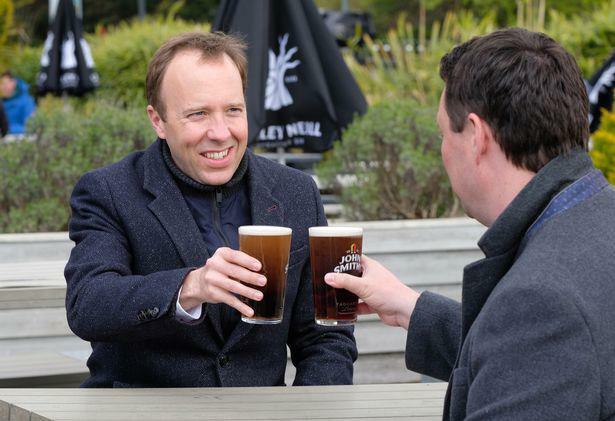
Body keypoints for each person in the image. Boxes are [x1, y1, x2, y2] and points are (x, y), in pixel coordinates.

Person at [325, 27, 615, 419]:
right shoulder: (595, 217)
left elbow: (534, 338)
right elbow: (526, 360)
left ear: (476, 137)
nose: (443, 151)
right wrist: (410, 308)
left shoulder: (541, 300)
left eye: (443, 133)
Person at [64, 32, 357, 388]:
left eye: (233, 110)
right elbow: (89, 305)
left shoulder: (297, 191)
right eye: (198, 114)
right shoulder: (108, 191)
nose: (220, 132)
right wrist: (190, 287)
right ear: (158, 121)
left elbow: (327, 338)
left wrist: (311, 411)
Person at [0, 71, 36, 135]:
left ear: (14, 82)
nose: (3, 87)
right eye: (1, 84)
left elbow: (30, 127)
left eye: (5, 83)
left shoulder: (27, 102)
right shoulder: (2, 102)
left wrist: (6, 129)